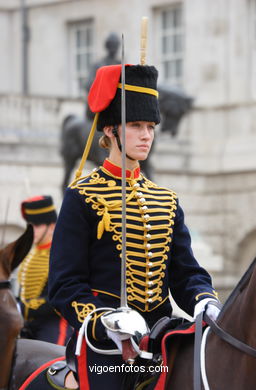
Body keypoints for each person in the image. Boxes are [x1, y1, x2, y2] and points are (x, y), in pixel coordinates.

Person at [49, 64, 220, 388]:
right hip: (106, 343)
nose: (146, 135)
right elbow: (63, 284)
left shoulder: (166, 199)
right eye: (136, 125)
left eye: (151, 126)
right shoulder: (82, 196)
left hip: (161, 338)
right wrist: (104, 320)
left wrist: (203, 298)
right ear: (111, 131)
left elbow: (185, 272)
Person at [17, 195, 73, 345]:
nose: (31, 230)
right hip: (26, 323)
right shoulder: (31, 253)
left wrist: (22, 308)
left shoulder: (62, 253)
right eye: (29, 225)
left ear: (52, 226)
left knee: (50, 361)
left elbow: (60, 297)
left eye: (36, 225)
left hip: (53, 323)